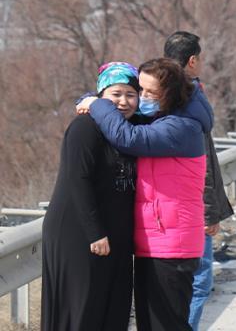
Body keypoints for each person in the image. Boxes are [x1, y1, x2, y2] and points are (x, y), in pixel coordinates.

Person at [78, 58, 213, 330]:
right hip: (157, 240)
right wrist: (98, 99)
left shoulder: (180, 128)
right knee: (152, 323)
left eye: (152, 92)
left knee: (167, 324)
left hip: (172, 244)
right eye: (142, 89)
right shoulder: (165, 116)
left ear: (171, 93)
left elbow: (128, 137)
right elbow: (125, 118)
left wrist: (97, 103)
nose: (144, 97)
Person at [42, 62, 140, 330]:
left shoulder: (130, 131)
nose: (123, 102)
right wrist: (94, 232)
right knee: (82, 309)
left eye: (131, 94)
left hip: (115, 235)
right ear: (100, 97)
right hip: (79, 232)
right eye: (116, 94)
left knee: (114, 310)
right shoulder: (85, 128)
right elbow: (77, 179)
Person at [164, 30, 233, 330]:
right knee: (199, 282)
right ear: (192, 61)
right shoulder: (190, 97)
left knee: (173, 284)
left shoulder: (154, 93)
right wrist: (210, 210)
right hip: (191, 207)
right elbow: (200, 162)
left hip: (163, 203)